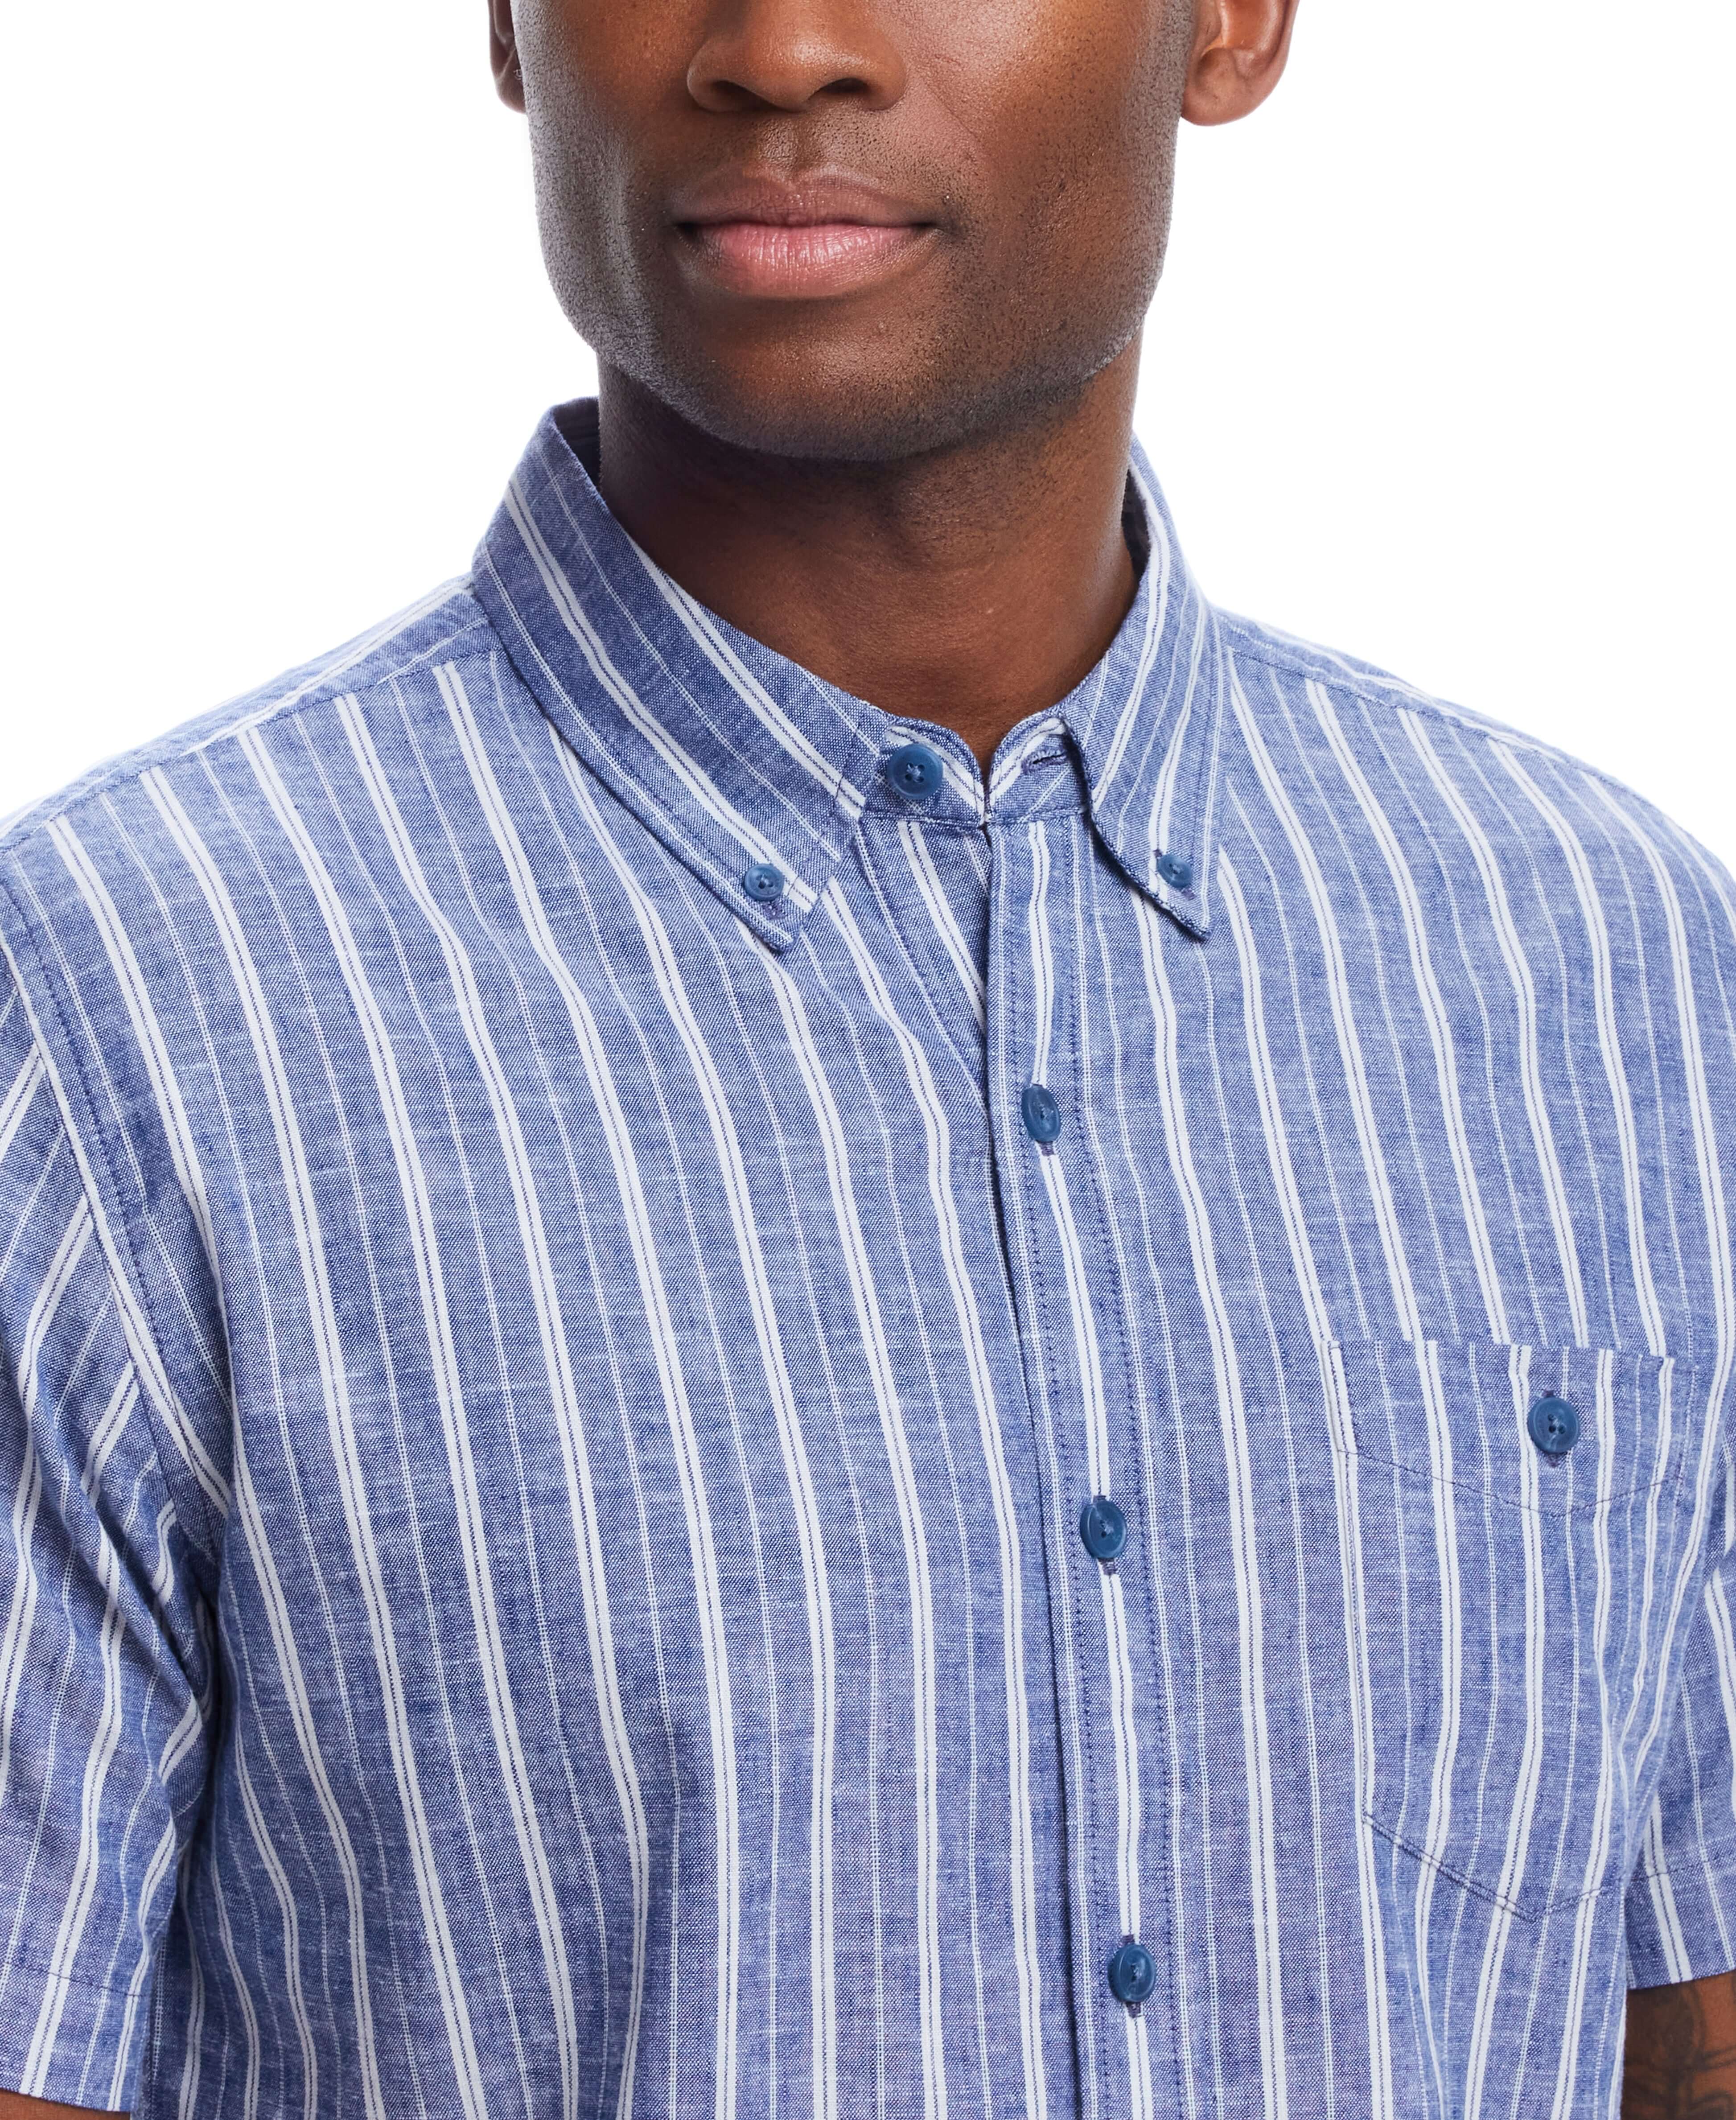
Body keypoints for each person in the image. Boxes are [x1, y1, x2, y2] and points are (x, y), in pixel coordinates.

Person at [0, 0, 1731, 2111]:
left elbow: (1684, 2014)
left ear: (1230, 22)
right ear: (500, 24)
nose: (786, 44)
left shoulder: (1609, 966)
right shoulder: (124, 994)